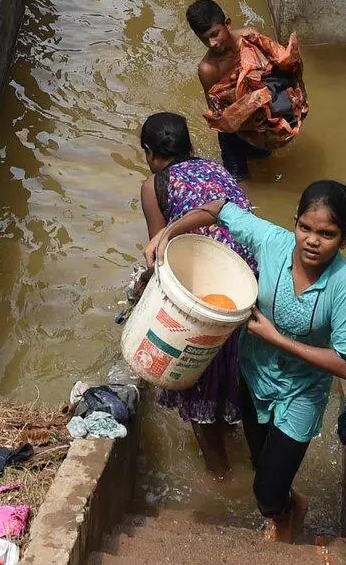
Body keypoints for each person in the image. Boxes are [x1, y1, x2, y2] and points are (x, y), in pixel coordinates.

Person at [146, 181, 346, 543]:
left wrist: (277, 339)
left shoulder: (344, 284)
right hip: (255, 376)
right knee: (261, 465)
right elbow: (218, 208)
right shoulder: (273, 242)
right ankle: (290, 504)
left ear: (345, 239)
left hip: (302, 391)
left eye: (327, 234)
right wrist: (167, 234)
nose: (312, 240)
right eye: (305, 228)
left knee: (264, 491)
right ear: (294, 222)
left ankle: (279, 512)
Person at [136, 111, 255, 479]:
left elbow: (162, 254)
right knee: (232, 368)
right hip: (249, 280)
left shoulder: (154, 184)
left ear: (149, 153)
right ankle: (248, 466)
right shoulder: (217, 170)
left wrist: (142, 295)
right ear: (189, 145)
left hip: (207, 285)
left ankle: (220, 478)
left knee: (197, 374)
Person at [188, 0, 305, 181]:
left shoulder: (251, 38)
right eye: (205, 40)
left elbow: (279, 68)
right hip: (234, 134)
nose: (212, 43)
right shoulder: (209, 69)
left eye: (215, 34)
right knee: (239, 181)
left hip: (262, 119)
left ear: (227, 23)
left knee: (264, 161)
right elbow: (217, 111)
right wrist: (241, 102)